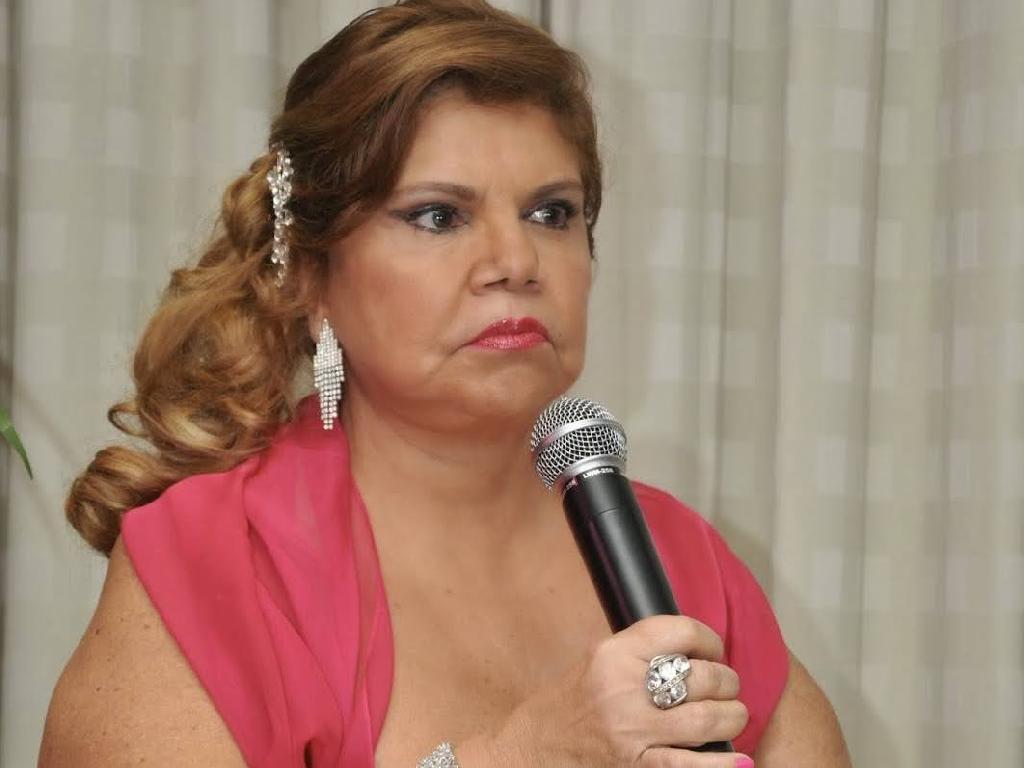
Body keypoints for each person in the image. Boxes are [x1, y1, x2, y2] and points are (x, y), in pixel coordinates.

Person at [38, 1, 851, 766]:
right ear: (311, 278)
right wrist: (517, 757)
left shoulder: (683, 563)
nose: (516, 261)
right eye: (438, 216)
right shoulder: (215, 569)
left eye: (551, 213)